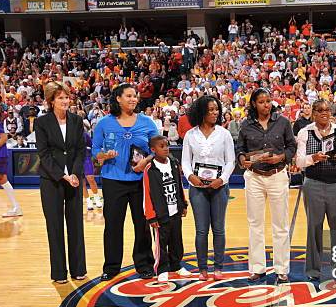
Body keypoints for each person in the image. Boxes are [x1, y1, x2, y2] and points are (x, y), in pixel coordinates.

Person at [92, 83, 158, 281]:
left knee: (143, 225)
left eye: (135, 96)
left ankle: (144, 265)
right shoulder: (104, 123)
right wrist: (103, 155)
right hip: (113, 181)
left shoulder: (147, 122)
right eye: (128, 95)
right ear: (118, 98)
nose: (133, 99)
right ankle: (111, 267)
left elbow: (158, 148)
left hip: (141, 181)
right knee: (112, 225)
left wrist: (145, 161)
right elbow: (95, 152)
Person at [236, 88, 297, 283]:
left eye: (268, 100)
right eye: (262, 101)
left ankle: (281, 269)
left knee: (280, 225)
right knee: (255, 224)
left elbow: (292, 146)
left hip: (277, 175)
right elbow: (240, 149)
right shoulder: (245, 125)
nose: (266, 104)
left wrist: (282, 157)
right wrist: (242, 159)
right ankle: (257, 268)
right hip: (254, 177)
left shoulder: (283, 122)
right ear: (254, 103)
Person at [35, 81, 87, 284]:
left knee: (76, 225)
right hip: (52, 180)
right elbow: (44, 153)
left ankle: (78, 269)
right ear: (51, 101)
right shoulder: (41, 122)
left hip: (74, 179)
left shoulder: (76, 120)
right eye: (60, 98)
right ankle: (58, 272)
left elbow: (80, 150)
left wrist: (74, 174)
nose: (65, 101)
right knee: (54, 226)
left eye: (67, 97)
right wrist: (62, 175)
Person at [182, 96, 235, 281]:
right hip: (197, 188)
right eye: (210, 110)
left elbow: (231, 161)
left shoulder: (224, 134)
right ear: (201, 112)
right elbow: (185, 162)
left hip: (219, 187)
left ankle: (218, 267)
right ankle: (202, 268)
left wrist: (221, 180)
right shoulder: (190, 135)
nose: (215, 113)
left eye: (216, 109)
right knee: (201, 230)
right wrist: (191, 177)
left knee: (219, 229)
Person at [296, 100, 336, 281]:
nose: (324, 113)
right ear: (313, 113)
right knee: (314, 228)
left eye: (327, 110)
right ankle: (313, 271)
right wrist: (314, 157)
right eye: (320, 110)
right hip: (313, 183)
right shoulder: (305, 132)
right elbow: (299, 162)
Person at [143, 136, 192, 282]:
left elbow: (179, 184)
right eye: (162, 146)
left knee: (177, 240)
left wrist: (183, 204)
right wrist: (151, 216)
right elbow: (147, 193)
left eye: (167, 145)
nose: (166, 148)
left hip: (175, 210)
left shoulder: (174, 163)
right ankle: (162, 268)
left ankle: (176, 265)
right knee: (161, 243)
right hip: (160, 214)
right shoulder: (150, 169)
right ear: (153, 150)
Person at [82, 124, 102, 210]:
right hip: (75, 160)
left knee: (91, 179)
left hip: (86, 158)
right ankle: (88, 201)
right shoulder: (69, 135)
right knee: (81, 182)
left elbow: (91, 146)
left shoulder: (85, 135)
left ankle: (97, 198)